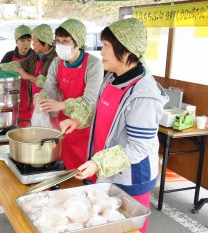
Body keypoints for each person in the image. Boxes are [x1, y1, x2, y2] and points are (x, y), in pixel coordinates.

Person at [64, 18, 168, 233]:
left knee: (126, 228)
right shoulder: (112, 76)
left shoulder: (144, 94)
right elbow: (99, 110)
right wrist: (77, 119)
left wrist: (97, 163)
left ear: (127, 51)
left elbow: (138, 148)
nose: (101, 52)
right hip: (107, 171)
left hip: (130, 179)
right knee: (103, 225)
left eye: (106, 47)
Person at [35, 19, 103, 184]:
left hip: (83, 126)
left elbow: (90, 100)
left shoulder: (93, 65)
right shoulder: (57, 62)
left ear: (78, 42)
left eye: (65, 41)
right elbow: (49, 88)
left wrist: (62, 104)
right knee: (63, 171)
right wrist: (42, 98)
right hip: (62, 125)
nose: (60, 45)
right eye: (57, 41)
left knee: (82, 175)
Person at [0, 24, 57, 126]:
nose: (31, 45)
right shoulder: (35, 55)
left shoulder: (56, 59)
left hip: (50, 106)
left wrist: (27, 76)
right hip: (33, 103)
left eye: (33, 41)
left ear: (45, 42)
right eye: (22, 40)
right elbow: (20, 64)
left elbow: (49, 83)